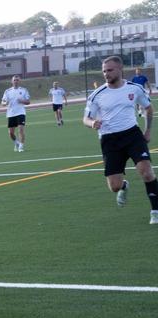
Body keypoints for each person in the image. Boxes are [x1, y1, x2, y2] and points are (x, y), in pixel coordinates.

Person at [83, 56, 157, 225]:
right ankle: (123, 186)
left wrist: (147, 130)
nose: (106, 74)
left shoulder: (135, 88)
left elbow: (148, 108)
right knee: (114, 186)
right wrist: (93, 122)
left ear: (120, 69)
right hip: (110, 140)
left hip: (132, 135)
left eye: (109, 70)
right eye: (103, 71)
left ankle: (155, 210)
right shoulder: (97, 95)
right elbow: (85, 119)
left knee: (146, 171)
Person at [1, 75, 31, 152]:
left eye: (17, 80)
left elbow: (28, 102)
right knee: (11, 133)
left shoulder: (24, 90)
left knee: (20, 130)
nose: (16, 81)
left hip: (21, 113)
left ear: (19, 81)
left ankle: (21, 146)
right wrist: (4, 103)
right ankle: (16, 143)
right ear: (12, 81)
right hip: (11, 113)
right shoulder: (7, 91)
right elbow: (3, 102)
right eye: (14, 80)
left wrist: (22, 101)